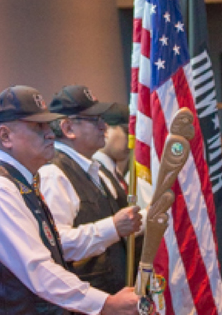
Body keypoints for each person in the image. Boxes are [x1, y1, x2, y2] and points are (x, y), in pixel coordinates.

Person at [0, 85, 139, 315]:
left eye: (48, 124)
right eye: (38, 126)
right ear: (5, 136)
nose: (50, 133)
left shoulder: (20, 180)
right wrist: (105, 304)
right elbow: (37, 270)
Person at [38, 85, 142, 294]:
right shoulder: (54, 174)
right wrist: (112, 227)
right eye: (95, 120)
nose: (104, 126)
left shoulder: (94, 168)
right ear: (68, 128)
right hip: (87, 300)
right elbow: (58, 244)